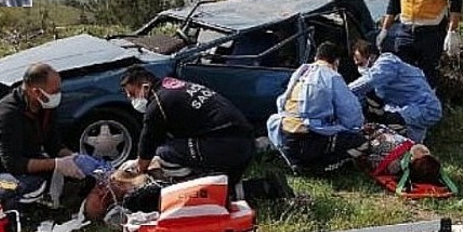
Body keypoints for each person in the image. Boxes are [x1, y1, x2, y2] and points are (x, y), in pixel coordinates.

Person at [0, 64, 86, 210]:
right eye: (55, 91)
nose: (58, 95)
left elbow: (53, 144)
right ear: (36, 92)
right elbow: (14, 163)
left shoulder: (45, 107)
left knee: (76, 174)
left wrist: (74, 159)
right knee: (32, 186)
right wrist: (57, 164)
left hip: (20, 166)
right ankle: (5, 207)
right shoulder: (7, 115)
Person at [120, 66, 255, 186]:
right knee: (176, 146)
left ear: (145, 87)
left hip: (229, 145)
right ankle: (231, 185)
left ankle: (188, 185)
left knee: (164, 153)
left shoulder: (157, 104)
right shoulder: (172, 87)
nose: (132, 100)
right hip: (244, 140)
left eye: (133, 95)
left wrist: (138, 171)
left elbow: (148, 143)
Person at [267, 41, 370, 173]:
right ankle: (320, 168)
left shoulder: (301, 72)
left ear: (316, 57)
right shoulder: (332, 76)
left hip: (284, 136)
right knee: (361, 142)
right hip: (305, 140)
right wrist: (358, 127)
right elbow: (351, 113)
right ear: (336, 62)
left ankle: (296, 163)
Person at [349, 39, 441, 143]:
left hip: (425, 108)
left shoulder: (387, 63)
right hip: (410, 110)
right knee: (410, 148)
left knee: (389, 122)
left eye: (360, 62)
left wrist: (343, 91)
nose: (357, 65)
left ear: (371, 57)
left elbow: (370, 80)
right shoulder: (381, 81)